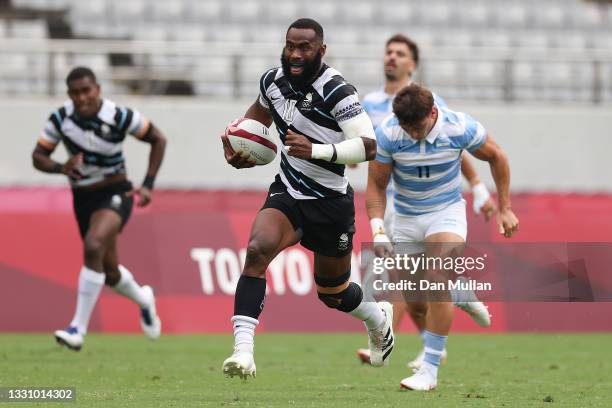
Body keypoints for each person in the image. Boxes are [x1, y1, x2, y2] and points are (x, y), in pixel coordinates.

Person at [219, 18, 394, 380]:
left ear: (321, 51)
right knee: (256, 251)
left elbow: (367, 146)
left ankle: (378, 319)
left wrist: (316, 150)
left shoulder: (337, 89)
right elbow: (257, 119)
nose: (295, 54)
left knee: (332, 293)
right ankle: (243, 353)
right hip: (288, 190)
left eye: (304, 48)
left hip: (330, 201)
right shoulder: (272, 81)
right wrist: (240, 146)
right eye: (290, 46)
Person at [366, 83, 518, 390]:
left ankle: (430, 371)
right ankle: (459, 290)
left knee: (436, 280)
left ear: (433, 113)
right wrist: (378, 229)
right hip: (406, 217)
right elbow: (376, 185)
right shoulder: (388, 132)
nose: (411, 134)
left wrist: (505, 208)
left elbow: (497, 156)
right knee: (417, 302)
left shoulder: (458, 126)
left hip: (445, 212)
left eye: (417, 127)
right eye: (406, 127)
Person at [357, 34, 495, 368]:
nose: (392, 57)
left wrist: (478, 187)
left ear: (412, 63)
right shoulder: (369, 103)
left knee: (417, 279)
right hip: (392, 203)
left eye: (400, 53)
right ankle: (429, 338)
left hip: (431, 203)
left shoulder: (432, 104)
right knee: (409, 281)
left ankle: (390, 343)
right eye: (388, 51)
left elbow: (449, 149)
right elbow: (365, 153)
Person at [31, 67, 166, 351]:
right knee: (109, 271)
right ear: (69, 95)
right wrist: (60, 167)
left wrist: (148, 185)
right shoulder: (60, 118)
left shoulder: (119, 115)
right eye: (75, 93)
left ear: (97, 89)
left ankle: (77, 328)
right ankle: (144, 299)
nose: (81, 98)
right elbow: (38, 156)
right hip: (83, 198)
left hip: (116, 191)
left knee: (93, 245)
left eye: (86, 91)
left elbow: (158, 139)